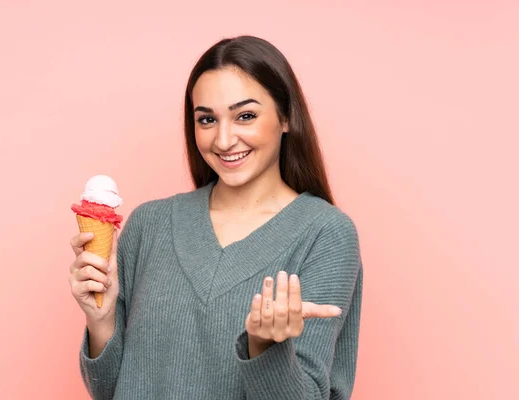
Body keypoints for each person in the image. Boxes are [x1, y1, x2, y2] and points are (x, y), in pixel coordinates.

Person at [68, 35, 363, 400]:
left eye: (246, 116)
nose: (223, 140)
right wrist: (101, 320)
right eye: (207, 119)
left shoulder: (325, 234)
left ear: (286, 117)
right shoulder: (148, 225)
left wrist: (264, 347)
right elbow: (111, 390)